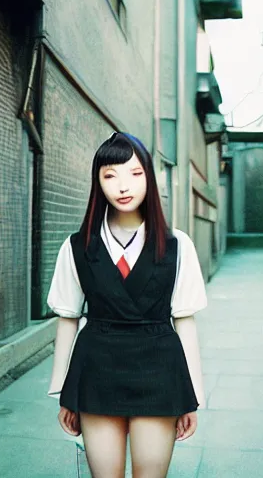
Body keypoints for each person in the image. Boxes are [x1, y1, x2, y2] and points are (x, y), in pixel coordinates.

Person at [46, 131, 207, 478]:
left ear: (149, 178)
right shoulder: (77, 247)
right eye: (110, 175)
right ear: (98, 183)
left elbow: (185, 321)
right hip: (97, 372)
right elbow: (67, 318)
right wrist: (64, 391)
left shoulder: (178, 245)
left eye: (135, 174)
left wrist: (191, 396)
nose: (123, 186)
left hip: (159, 373)